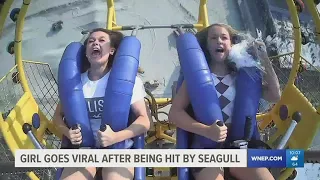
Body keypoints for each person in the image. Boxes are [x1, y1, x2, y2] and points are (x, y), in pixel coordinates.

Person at [168, 23, 281, 180]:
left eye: (224, 38)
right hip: (207, 149)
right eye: (213, 38)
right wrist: (206, 131)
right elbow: (174, 114)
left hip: (240, 148)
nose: (219, 41)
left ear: (231, 44)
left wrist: (265, 59)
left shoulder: (245, 78)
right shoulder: (195, 78)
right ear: (207, 45)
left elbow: (275, 95)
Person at [53, 28, 151, 180]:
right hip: (85, 150)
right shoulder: (75, 83)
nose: (95, 43)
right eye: (91, 41)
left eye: (101, 40)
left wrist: (116, 137)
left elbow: (144, 121)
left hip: (117, 147)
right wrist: (67, 133)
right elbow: (57, 118)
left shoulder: (128, 81)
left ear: (111, 51)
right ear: (86, 53)